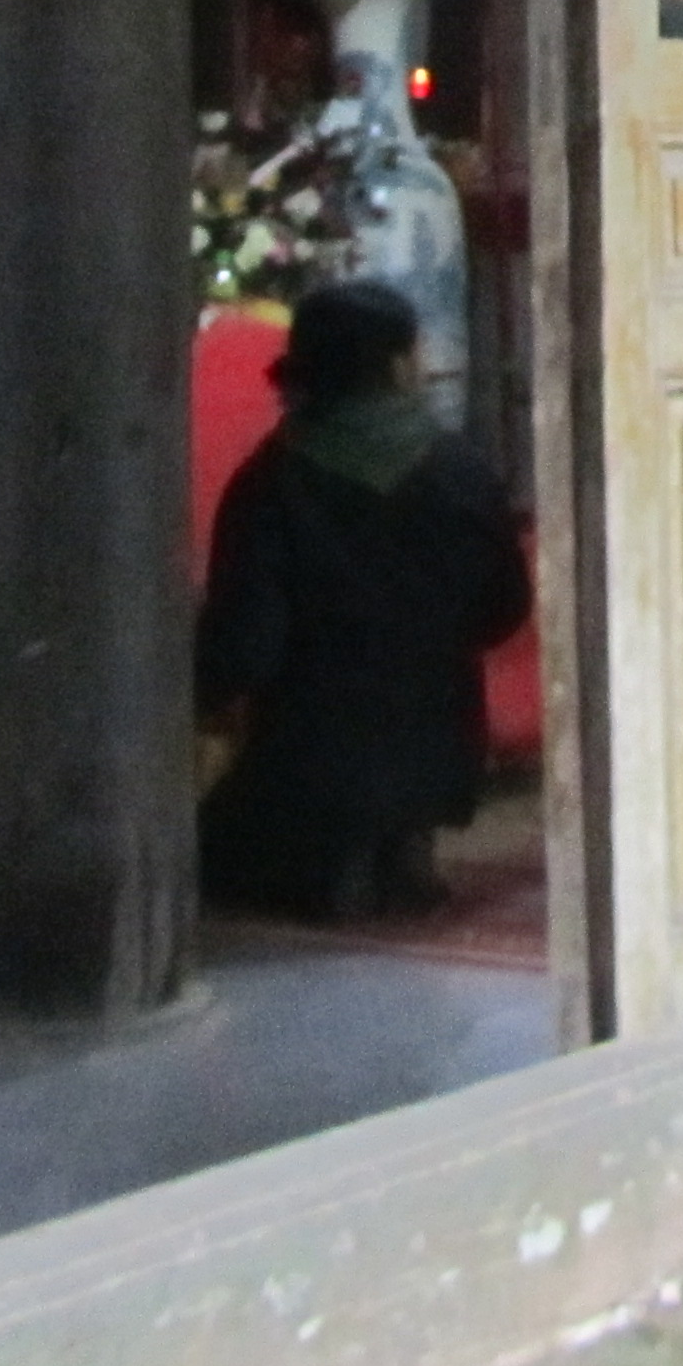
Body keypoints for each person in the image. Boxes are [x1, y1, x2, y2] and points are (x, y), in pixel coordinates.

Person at [196, 279, 533, 923]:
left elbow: (244, 646)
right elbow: (504, 608)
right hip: (441, 749)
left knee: (213, 850)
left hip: (309, 759)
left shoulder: (272, 481)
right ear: (400, 366)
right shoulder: (462, 469)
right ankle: (399, 847)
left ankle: (337, 859)